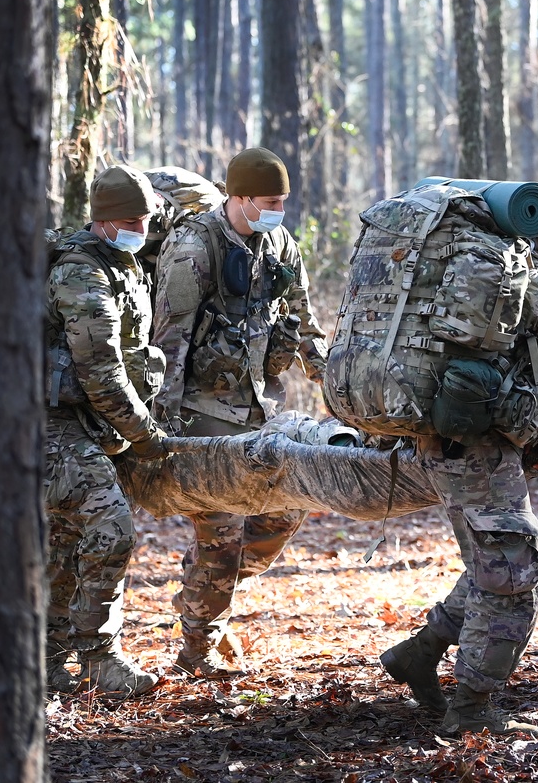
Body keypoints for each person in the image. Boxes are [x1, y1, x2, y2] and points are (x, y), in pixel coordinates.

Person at [380, 178, 538, 737]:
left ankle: (418, 655)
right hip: (481, 448)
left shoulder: (467, 268)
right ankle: (472, 710)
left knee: (490, 563)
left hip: (430, 434)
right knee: (514, 577)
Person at [151, 147, 327, 678]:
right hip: (201, 411)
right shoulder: (192, 246)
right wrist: (161, 428)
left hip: (257, 405)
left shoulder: (278, 242)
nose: (278, 210)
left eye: (282, 201)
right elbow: (168, 340)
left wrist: (335, 385)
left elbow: (304, 321)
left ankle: (203, 588)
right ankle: (196, 653)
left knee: (285, 509)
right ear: (240, 198)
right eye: (270, 201)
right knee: (223, 531)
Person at [44, 164, 169, 699]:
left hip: (88, 423)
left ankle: (44, 656)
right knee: (110, 526)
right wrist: (145, 434)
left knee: (69, 537)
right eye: (134, 219)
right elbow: (101, 370)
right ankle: (98, 656)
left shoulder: (124, 260)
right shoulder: (80, 272)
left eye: (146, 217)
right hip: (51, 423)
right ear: (105, 221)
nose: (143, 227)